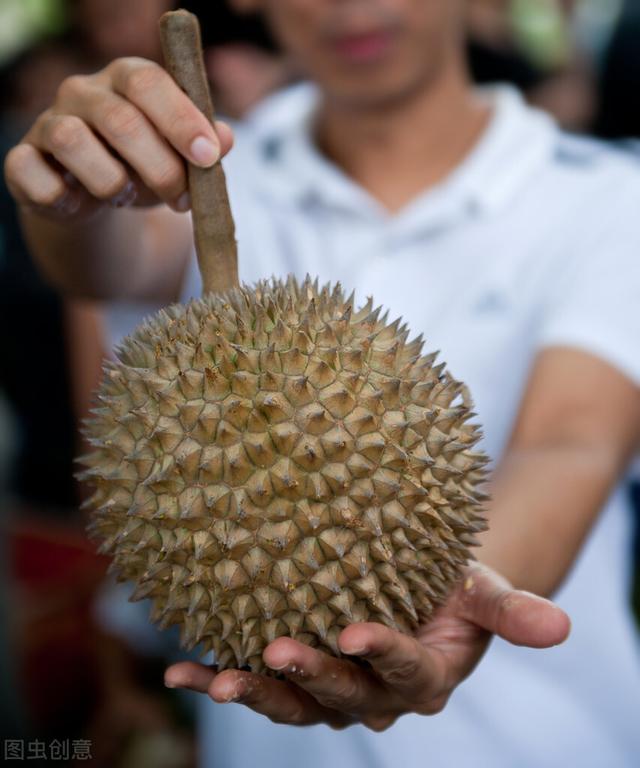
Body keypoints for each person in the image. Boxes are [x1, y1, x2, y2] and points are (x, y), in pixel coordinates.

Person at [4, 1, 639, 766]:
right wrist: (72, 193)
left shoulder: (607, 196)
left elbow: (570, 443)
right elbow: (104, 257)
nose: (348, 4)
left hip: (547, 740)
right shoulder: (222, 161)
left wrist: (466, 592)